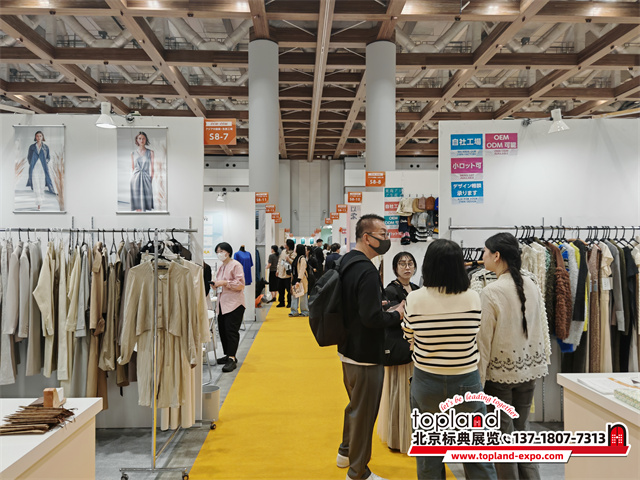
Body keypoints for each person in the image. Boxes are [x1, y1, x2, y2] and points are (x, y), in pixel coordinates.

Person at [403, 239, 497, 480]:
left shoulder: (414, 298)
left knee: (429, 455)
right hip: (466, 380)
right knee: (477, 454)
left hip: (426, 381)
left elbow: (408, 335)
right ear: (459, 265)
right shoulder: (473, 297)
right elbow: (474, 333)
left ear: (428, 265)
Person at [336, 214, 405, 480]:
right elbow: (371, 319)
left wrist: (380, 305)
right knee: (364, 414)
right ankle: (358, 473)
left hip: (348, 349)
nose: (387, 239)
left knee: (355, 407)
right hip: (365, 354)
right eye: (383, 234)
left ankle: (345, 452)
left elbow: (356, 305)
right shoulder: (366, 269)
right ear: (367, 237)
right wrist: (397, 314)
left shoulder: (348, 262)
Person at [478, 233, 551, 480]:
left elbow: (483, 342)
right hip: (529, 371)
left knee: (502, 440)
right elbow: (540, 328)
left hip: (499, 376)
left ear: (497, 255)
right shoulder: (532, 285)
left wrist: (478, 381)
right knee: (521, 434)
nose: (482, 256)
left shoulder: (491, 292)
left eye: (485, 251)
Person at [377, 252, 419, 454]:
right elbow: (388, 320)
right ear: (395, 268)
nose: (407, 267)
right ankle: (396, 437)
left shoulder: (418, 289)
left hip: (416, 349)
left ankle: (411, 435)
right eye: (402, 264)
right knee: (399, 392)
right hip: (399, 348)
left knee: (413, 395)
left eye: (410, 263)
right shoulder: (390, 290)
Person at [213, 242, 245, 373]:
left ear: (228, 252)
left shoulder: (236, 265)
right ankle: (228, 354)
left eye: (221, 251)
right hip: (222, 304)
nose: (219, 254)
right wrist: (215, 285)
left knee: (231, 331)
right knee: (223, 330)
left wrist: (225, 283)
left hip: (234, 304)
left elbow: (240, 284)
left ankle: (232, 358)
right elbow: (220, 284)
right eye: (217, 252)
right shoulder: (221, 267)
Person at [26, 130, 56, 210]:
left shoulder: (46, 147)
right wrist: (32, 163)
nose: (39, 137)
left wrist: (45, 162)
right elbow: (29, 157)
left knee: (42, 185)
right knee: (36, 185)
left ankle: (41, 201)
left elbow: (48, 157)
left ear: (42, 137)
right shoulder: (32, 147)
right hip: (34, 168)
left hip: (43, 168)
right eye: (37, 136)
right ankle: (38, 203)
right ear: (35, 137)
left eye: (40, 136)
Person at [130, 131, 155, 212]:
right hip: (135, 178)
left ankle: (144, 218)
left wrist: (150, 179)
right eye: (140, 138)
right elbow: (133, 167)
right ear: (137, 140)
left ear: (146, 139)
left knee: (145, 201)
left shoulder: (150, 152)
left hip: (146, 178)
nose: (141, 140)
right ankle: (138, 217)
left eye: (143, 138)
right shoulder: (133, 153)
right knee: (137, 202)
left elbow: (152, 168)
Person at [289, 244, 309, 317]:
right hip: (295, 279)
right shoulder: (297, 257)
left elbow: (302, 270)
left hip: (301, 280)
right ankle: (294, 311)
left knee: (303, 296)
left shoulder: (302, 259)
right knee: (294, 295)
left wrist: (298, 280)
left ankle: (305, 311)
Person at [276, 239, 295, 308]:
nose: (285, 245)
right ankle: (281, 302)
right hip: (281, 273)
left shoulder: (293, 253)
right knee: (280, 289)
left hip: (288, 275)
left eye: (286, 244)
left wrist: (288, 259)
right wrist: (277, 270)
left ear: (289, 245)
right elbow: (279, 261)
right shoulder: (283, 252)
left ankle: (289, 302)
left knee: (289, 290)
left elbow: (294, 263)